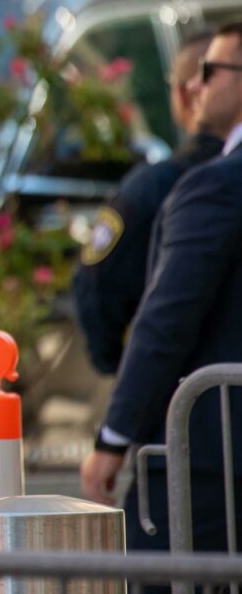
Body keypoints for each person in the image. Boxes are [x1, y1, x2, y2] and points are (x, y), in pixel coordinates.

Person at [81, 21, 242, 565]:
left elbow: (162, 317)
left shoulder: (210, 183)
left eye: (210, 72)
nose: (197, 86)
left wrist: (114, 433)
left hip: (210, 457)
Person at [72, 32, 222, 375]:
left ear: (184, 93)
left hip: (177, 389)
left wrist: (123, 367)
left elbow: (96, 287)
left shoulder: (156, 184)